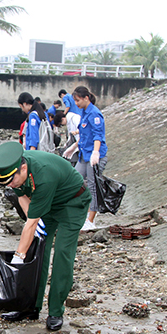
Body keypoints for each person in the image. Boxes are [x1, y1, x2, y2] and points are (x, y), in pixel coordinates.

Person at [0, 141, 90, 331]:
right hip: (47, 202)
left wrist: (18, 258)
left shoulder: (43, 174)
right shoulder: (13, 171)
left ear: (23, 167)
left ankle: (55, 311)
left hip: (72, 202)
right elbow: (24, 199)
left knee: (62, 254)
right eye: (6, 183)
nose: (11, 184)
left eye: (12, 180)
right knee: (38, 251)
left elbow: (31, 222)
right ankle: (30, 306)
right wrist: (32, 220)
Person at [63, 86, 108, 231]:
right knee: (74, 180)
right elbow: (84, 134)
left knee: (93, 187)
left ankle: (90, 219)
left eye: (77, 100)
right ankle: (75, 212)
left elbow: (97, 136)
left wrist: (96, 152)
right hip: (83, 154)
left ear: (86, 98)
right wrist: (73, 147)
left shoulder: (95, 114)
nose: (76, 103)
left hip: (94, 157)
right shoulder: (84, 113)